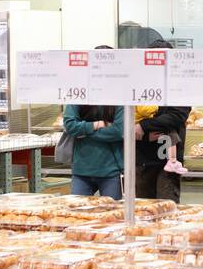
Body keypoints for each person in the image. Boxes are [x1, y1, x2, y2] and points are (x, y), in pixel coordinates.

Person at [133, 41, 190, 202]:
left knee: (167, 207)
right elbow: (128, 116)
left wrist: (144, 126)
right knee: (143, 209)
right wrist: (142, 132)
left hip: (169, 159)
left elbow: (177, 115)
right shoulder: (139, 84)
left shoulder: (179, 85)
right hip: (142, 156)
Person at [61, 104, 125, 199]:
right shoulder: (79, 96)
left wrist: (85, 133)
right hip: (81, 171)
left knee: (112, 211)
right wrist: (97, 124)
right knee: (78, 211)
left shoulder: (118, 100)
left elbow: (118, 131)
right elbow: (70, 126)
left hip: (111, 171)